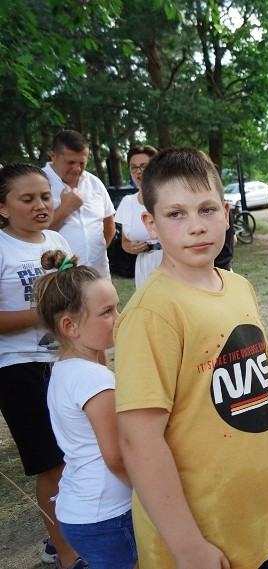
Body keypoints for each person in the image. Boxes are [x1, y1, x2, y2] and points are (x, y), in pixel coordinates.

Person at [113, 147, 268, 569]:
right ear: (150, 222)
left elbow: (257, 404)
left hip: (254, 520)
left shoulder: (238, 286)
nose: (195, 227)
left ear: (226, 213)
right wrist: (188, 547)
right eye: (175, 214)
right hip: (196, 539)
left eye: (206, 209)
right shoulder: (152, 313)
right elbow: (139, 442)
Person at [0, 163, 84, 569]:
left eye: (45, 197)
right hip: (20, 369)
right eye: (27, 199)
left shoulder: (54, 239)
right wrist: (46, 312)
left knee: (78, 455)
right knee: (51, 464)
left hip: (65, 362)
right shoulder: (1, 248)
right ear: (3, 207)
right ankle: (66, 555)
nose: (41, 205)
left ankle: (76, 536)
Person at [34, 251, 137, 569]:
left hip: (80, 511)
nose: (118, 319)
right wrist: (154, 492)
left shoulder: (67, 368)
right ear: (70, 326)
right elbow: (117, 456)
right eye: (107, 312)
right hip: (108, 515)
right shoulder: (94, 382)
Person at [43, 130, 116, 279]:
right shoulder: (38, 183)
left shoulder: (94, 183)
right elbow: (33, 234)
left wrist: (93, 254)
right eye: (70, 162)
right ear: (53, 155)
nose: (77, 168)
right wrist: (66, 208)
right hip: (57, 277)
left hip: (98, 273)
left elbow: (109, 227)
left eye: (82, 162)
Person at [115, 145, 162, 288]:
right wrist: (131, 248)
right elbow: (125, 242)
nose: (138, 171)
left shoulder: (169, 198)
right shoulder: (127, 202)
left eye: (143, 166)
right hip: (143, 264)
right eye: (133, 167)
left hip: (170, 262)